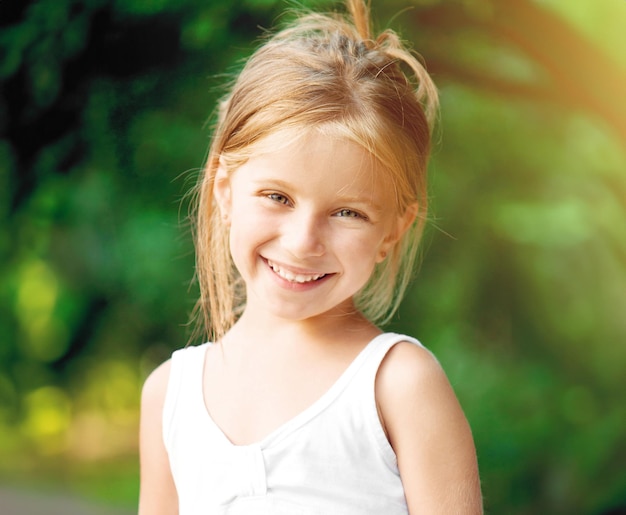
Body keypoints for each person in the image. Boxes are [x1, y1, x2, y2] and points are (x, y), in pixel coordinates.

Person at [138, 0, 482, 513]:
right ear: (226, 191)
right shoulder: (171, 396)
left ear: (394, 229)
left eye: (347, 212)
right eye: (277, 197)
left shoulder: (398, 386)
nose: (303, 242)